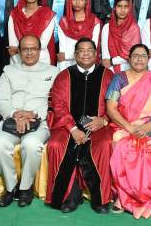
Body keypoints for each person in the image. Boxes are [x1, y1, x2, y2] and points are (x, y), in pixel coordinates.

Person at [46, 38, 115, 213]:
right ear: (75, 55)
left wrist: (103, 120)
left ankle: (100, 198)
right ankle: (69, 194)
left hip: (98, 125)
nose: (85, 54)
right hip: (68, 125)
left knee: (103, 145)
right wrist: (73, 129)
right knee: (56, 145)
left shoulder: (107, 75)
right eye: (81, 50)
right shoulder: (64, 76)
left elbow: (116, 104)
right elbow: (58, 105)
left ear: (96, 54)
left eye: (89, 50)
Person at [105, 44, 151, 219]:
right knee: (123, 146)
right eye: (135, 55)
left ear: (148, 59)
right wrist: (129, 127)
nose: (139, 59)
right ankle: (123, 196)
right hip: (124, 126)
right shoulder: (119, 79)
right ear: (129, 59)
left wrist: (149, 126)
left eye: (143, 55)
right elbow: (111, 107)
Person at [0, 35, 59, 208]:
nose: (29, 53)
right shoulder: (8, 71)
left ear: (40, 50)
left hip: (40, 120)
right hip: (11, 119)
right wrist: (16, 114)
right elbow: (1, 101)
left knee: (31, 144)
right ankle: (10, 188)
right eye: (25, 49)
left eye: (33, 48)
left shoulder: (53, 72)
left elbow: (56, 102)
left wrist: (33, 114)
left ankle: (25, 188)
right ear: (19, 52)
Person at [6, 0, 56, 65]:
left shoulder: (48, 14)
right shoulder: (14, 14)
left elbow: (43, 44)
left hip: (41, 60)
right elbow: (12, 44)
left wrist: (18, 49)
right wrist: (17, 53)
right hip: (17, 60)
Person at [56, 0, 101, 70]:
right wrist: (63, 69)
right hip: (66, 65)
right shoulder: (64, 21)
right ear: (70, 0)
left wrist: (67, 56)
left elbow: (91, 50)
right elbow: (62, 50)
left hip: (87, 64)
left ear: (86, 1)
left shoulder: (94, 21)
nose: (77, 2)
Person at [101, 0, 141, 72]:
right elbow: (105, 58)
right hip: (110, 69)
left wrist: (113, 61)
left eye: (126, 6)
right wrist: (110, 65)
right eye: (119, 6)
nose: (122, 10)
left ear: (130, 9)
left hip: (130, 69)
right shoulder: (107, 28)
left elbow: (134, 54)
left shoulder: (134, 28)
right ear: (114, 8)